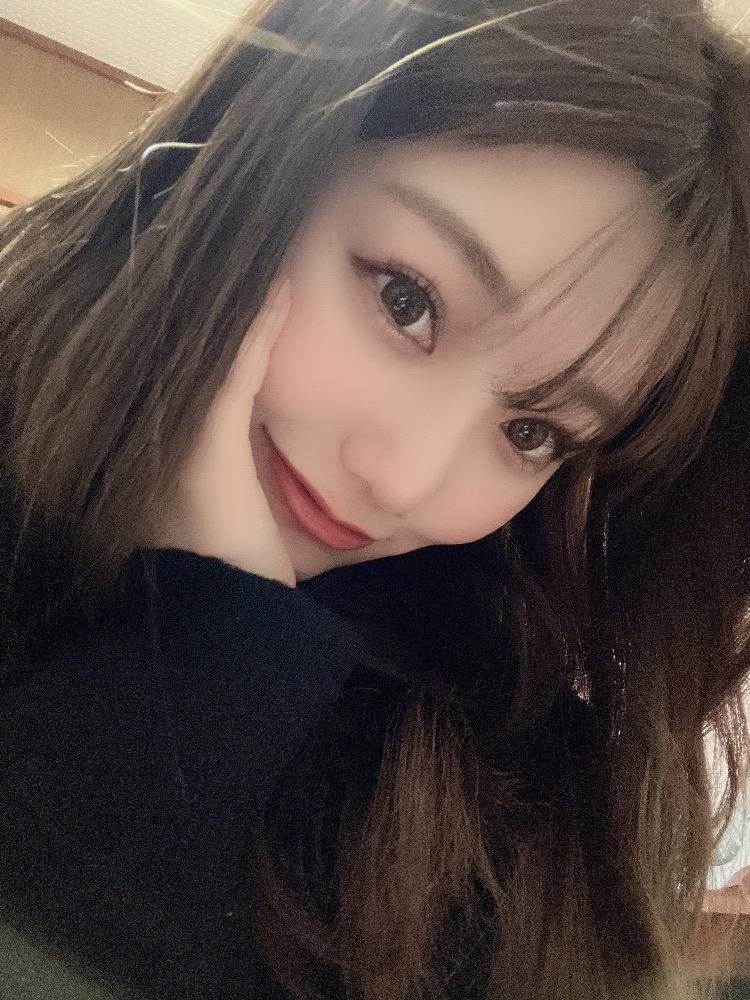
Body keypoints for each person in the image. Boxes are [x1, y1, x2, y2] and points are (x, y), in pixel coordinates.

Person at [0, 0, 749, 998]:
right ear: (260, 158)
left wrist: (209, 656)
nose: (405, 480)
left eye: (534, 432)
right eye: (406, 300)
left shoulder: (499, 829)